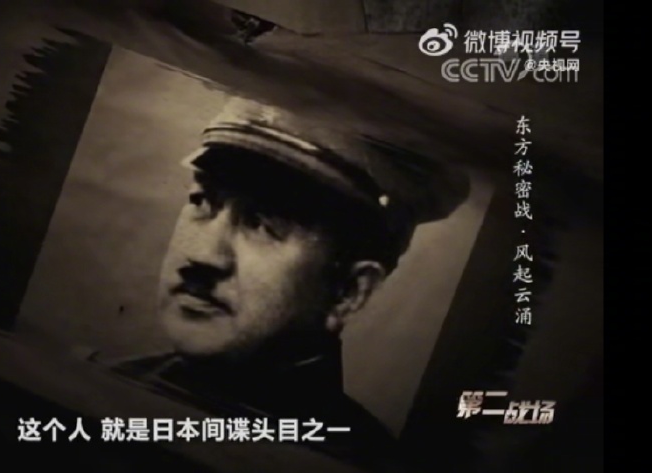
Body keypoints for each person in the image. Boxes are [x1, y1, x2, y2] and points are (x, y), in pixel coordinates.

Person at [86, 96, 470, 472]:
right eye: (202, 201)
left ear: (348, 293)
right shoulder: (98, 390)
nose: (201, 255)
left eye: (263, 224)